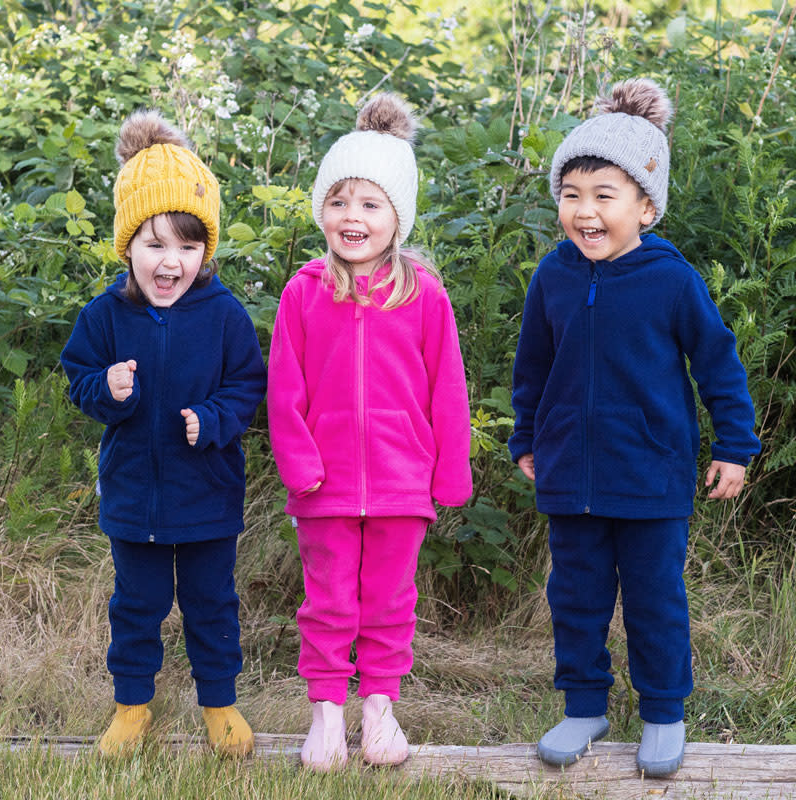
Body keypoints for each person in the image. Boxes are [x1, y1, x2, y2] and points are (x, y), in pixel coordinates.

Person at [508, 79, 760, 777]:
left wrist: (734, 446)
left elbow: (718, 365)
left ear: (646, 207)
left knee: (654, 602)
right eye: (571, 195)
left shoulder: (671, 281)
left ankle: (663, 713)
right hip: (571, 475)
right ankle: (584, 705)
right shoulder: (553, 277)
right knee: (575, 597)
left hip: (651, 474)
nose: (585, 211)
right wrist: (526, 436)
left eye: (604, 195)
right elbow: (532, 367)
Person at [267, 93, 472, 771]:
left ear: (397, 217)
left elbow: (447, 388)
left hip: (401, 482)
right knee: (327, 603)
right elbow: (284, 390)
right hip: (323, 485)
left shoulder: (424, 294)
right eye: (339, 201)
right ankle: (326, 714)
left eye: (369, 204)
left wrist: (449, 472)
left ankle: (379, 710)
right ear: (322, 210)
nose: (352, 216)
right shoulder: (304, 292)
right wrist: (300, 466)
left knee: (389, 603)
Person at [61, 109, 267, 757]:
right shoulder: (105, 316)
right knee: (136, 606)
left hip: (207, 498)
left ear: (205, 251)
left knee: (211, 605)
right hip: (134, 500)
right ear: (128, 247)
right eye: (154, 245)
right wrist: (107, 389)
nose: (171, 261)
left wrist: (213, 418)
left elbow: (247, 386)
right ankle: (132, 708)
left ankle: (220, 706)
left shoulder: (225, 315)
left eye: (187, 245)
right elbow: (79, 378)